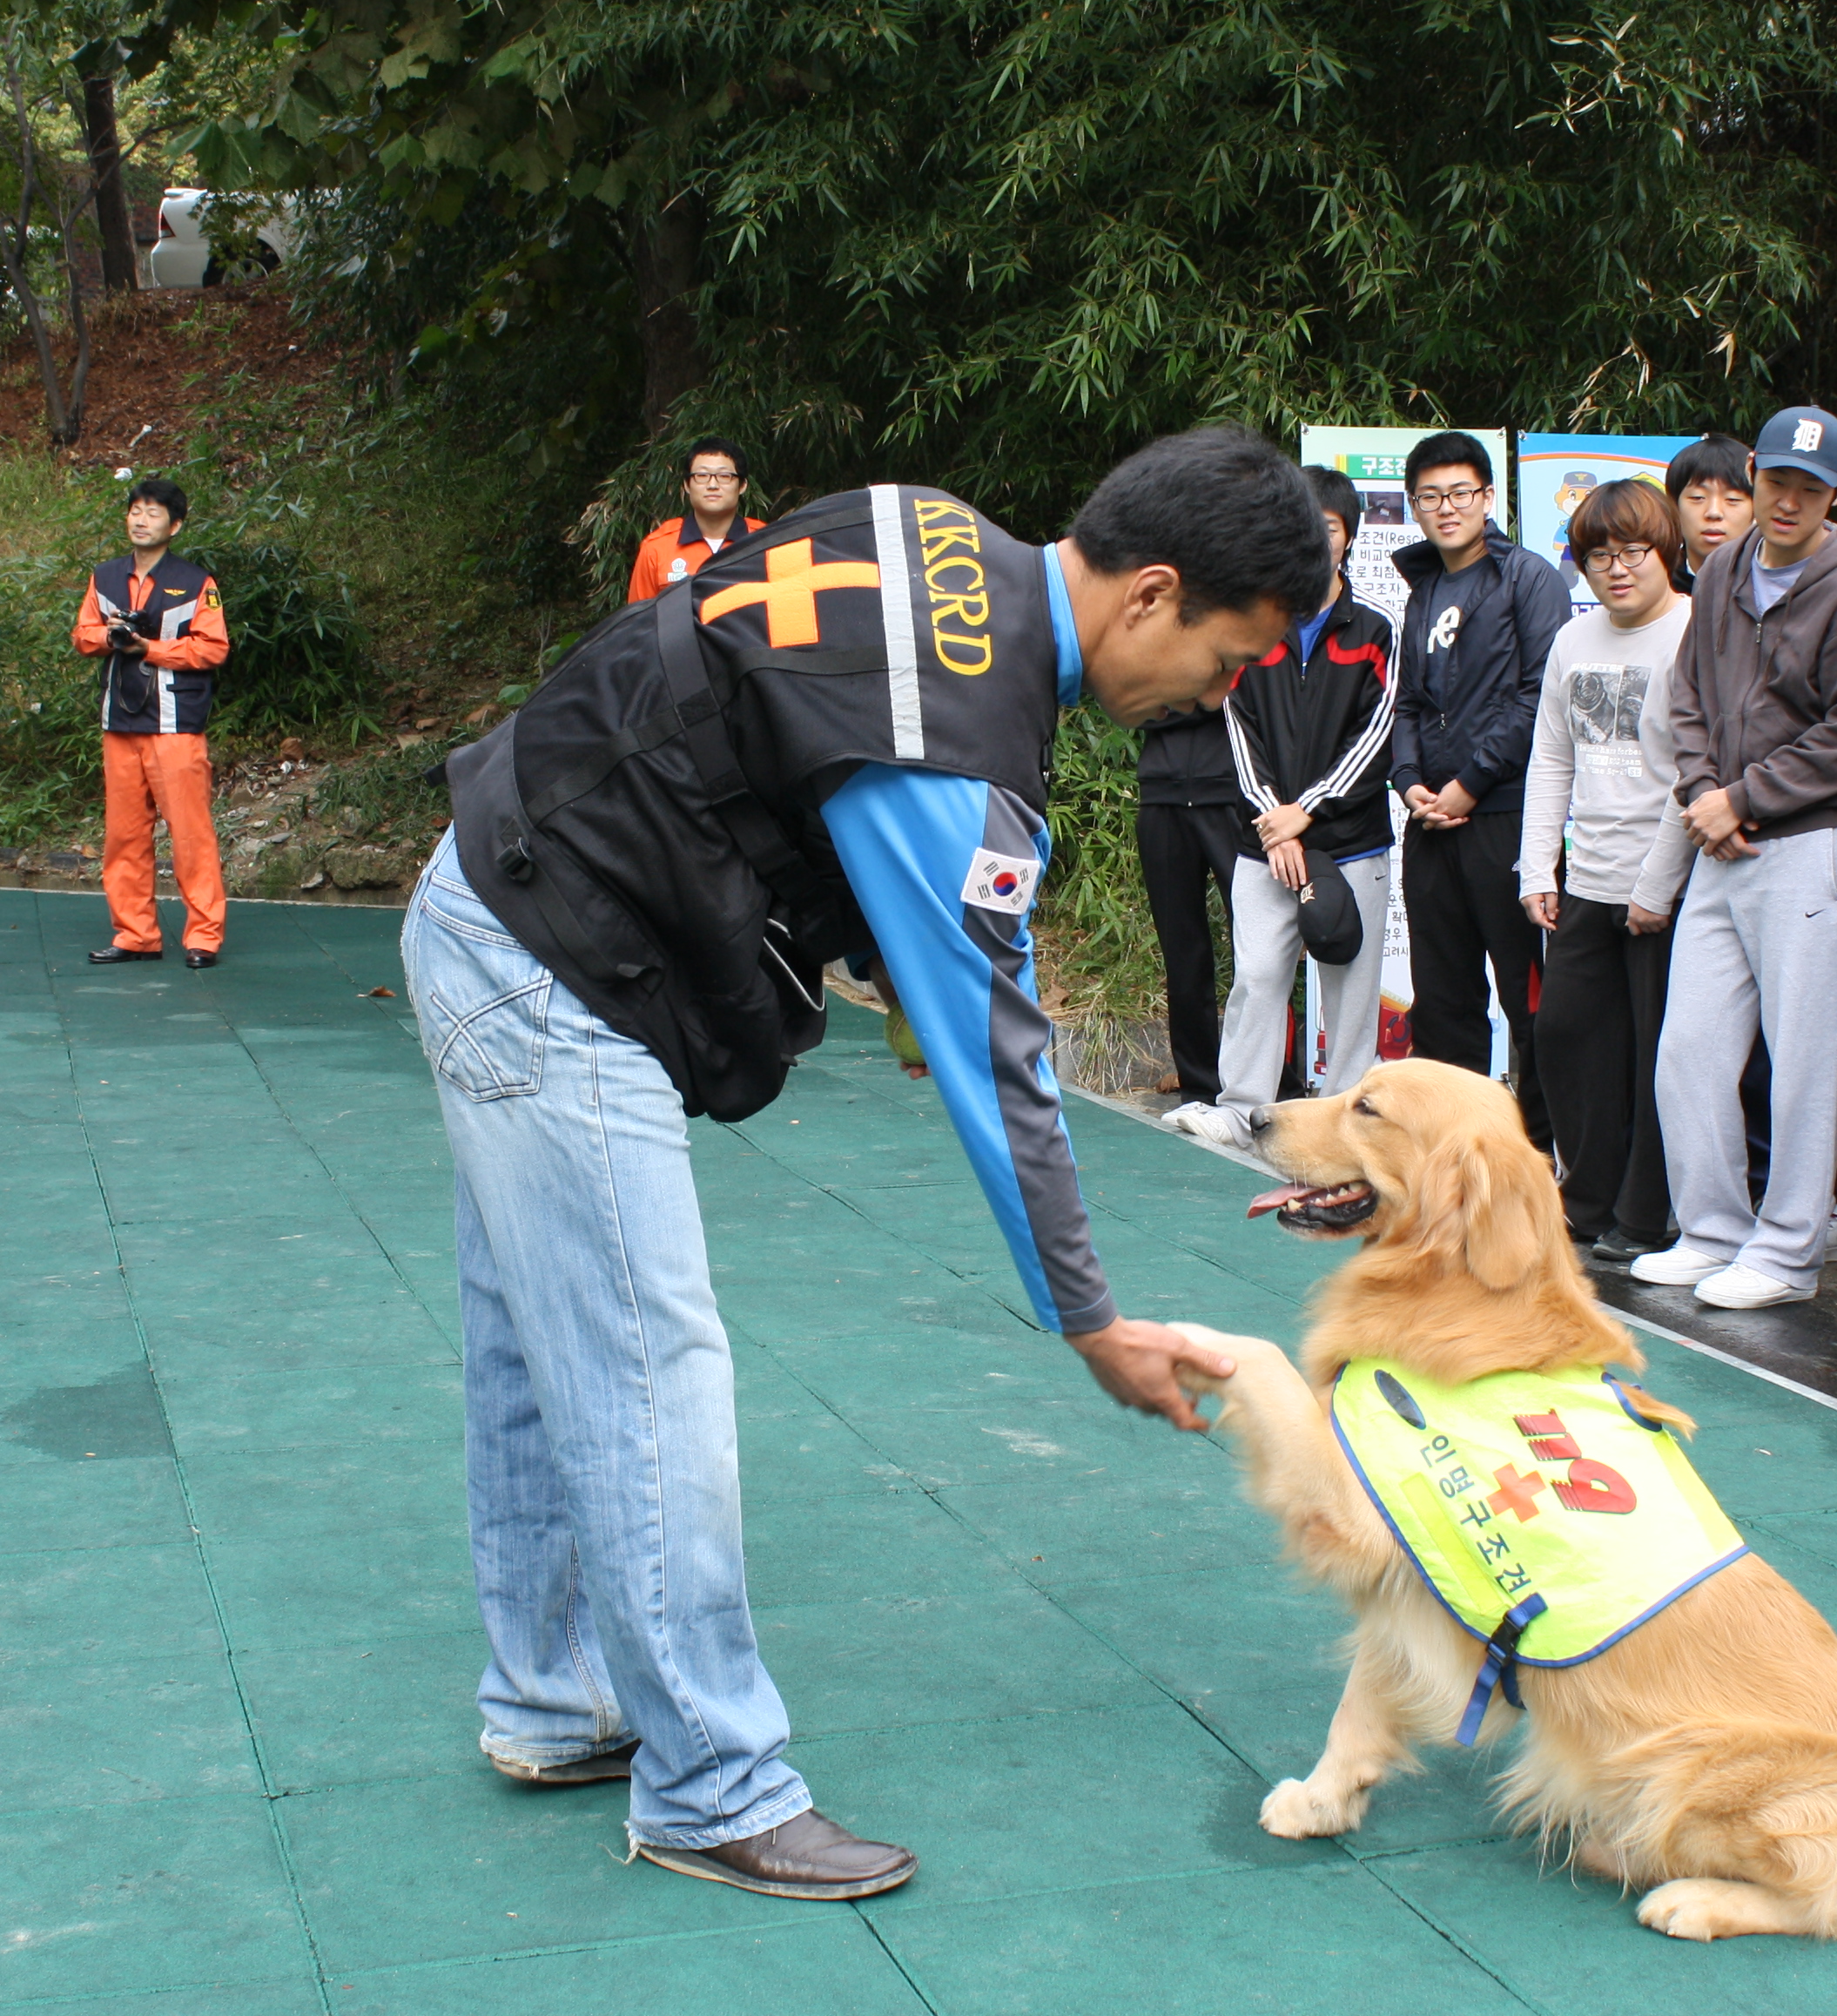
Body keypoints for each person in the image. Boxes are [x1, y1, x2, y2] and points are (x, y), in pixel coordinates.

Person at [424, 429, 1327, 1898]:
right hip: (554, 958)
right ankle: (712, 1786)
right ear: (1152, 594)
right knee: (646, 1367)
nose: (1218, 694)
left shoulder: (931, 526)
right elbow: (1000, 1066)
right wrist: (1089, 1320)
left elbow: (754, 720)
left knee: (537, 1348)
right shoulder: (953, 747)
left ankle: (551, 1695)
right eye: (1231, 659)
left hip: (495, 880)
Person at [1638, 404, 1837, 1308]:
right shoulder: (1721, 572)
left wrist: (1739, 798)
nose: (1789, 500)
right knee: (1692, 1047)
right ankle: (1711, 1231)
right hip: (1722, 841)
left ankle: (1787, 1253)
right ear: (1755, 471)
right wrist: (1705, 794)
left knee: (1806, 1058)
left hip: (1810, 847)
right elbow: (1688, 699)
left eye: (1811, 488)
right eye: (1778, 479)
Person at [1166, 465, 1397, 1148]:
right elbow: (1238, 730)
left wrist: (1311, 812)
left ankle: (1346, 1123)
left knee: (1351, 991)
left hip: (1352, 842)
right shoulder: (1257, 629)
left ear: (1348, 539)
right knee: (1260, 976)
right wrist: (1277, 822)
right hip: (1263, 842)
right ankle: (1240, 1111)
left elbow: (1378, 733)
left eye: (1326, 529)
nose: (1313, 541)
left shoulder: (1376, 631)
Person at [1518, 477, 1693, 1251]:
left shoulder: (1695, 632)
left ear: (1668, 553)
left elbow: (1701, 770)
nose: (1616, 569)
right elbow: (1551, 759)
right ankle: (1585, 1203)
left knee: (1657, 1058)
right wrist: (1536, 870)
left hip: (1669, 887)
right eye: (1597, 556)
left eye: (1633, 552)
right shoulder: (1572, 641)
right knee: (1566, 1038)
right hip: (1584, 881)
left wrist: (1655, 884)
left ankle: (1644, 1217)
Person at [1388, 429, 1571, 1140]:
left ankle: (1543, 1154)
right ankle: (1452, 1149)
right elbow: (1405, 701)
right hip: (1430, 824)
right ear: (1415, 506)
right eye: (1429, 497)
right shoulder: (1423, 586)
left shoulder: (1528, 578)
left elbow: (1538, 698)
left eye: (1460, 492)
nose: (1446, 508)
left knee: (1530, 1001)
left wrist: (1467, 783)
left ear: (1488, 497)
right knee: (1442, 1000)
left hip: (1505, 817)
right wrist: (1409, 783)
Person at [73, 476, 231, 968]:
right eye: (135, 510)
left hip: (175, 725)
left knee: (190, 833)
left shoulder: (197, 581)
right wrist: (111, 635)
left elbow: (213, 647)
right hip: (119, 722)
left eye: (154, 513)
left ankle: (203, 938)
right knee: (123, 835)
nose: (141, 520)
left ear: (175, 525)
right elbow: (82, 634)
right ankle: (135, 936)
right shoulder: (105, 576)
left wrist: (151, 647)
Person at [1134, 692, 1249, 1106]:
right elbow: (1136, 703)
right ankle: (1199, 1086)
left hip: (1233, 796)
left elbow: (1247, 701)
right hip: (1161, 798)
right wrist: (1204, 700)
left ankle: (1270, 1078)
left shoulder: (1244, 631)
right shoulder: (1148, 633)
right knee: (1182, 953)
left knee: (1257, 950)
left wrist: (1184, 699)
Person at [625, 438, 762, 603]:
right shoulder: (657, 548)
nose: (712, 485)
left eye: (724, 476)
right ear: (687, 485)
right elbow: (639, 623)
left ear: (742, 486)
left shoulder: (766, 542)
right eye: (702, 476)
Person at [1664, 433, 1758, 594]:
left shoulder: (1773, 588)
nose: (1714, 512)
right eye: (1698, 497)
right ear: (1674, 507)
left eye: (1732, 499)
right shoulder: (1656, 588)